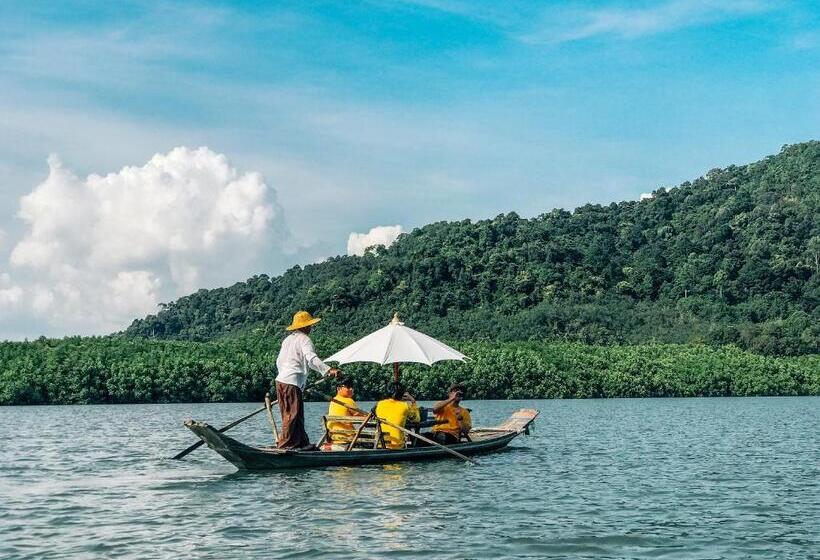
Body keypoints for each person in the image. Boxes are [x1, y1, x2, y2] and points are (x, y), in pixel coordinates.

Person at [275, 310, 339, 449]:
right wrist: (328, 370)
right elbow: (311, 359)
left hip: (281, 380)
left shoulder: (287, 340)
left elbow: (279, 362)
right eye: (309, 325)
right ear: (304, 327)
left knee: (296, 414)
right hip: (290, 381)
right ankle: (284, 445)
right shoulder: (304, 339)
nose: (311, 328)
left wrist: (287, 376)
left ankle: (302, 443)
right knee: (291, 415)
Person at [374, 382, 420, 449]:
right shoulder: (405, 406)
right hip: (397, 446)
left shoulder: (379, 404)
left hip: (379, 444)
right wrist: (413, 401)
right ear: (402, 394)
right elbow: (417, 419)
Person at [326, 377, 366, 446]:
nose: (351, 389)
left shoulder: (333, 401)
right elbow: (363, 418)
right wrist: (371, 417)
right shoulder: (348, 401)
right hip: (347, 438)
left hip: (333, 437)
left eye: (352, 387)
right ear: (338, 389)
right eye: (348, 387)